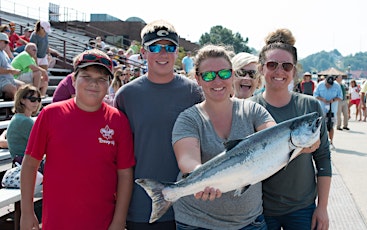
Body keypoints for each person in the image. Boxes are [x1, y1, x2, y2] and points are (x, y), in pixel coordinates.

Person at [20, 49, 135, 230]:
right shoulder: (51, 114)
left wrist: (119, 221)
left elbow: (125, 174)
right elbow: (29, 164)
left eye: (101, 79)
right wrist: (27, 211)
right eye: (86, 76)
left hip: (102, 223)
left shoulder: (118, 121)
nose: (93, 84)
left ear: (109, 84)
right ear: (73, 80)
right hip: (57, 222)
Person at [172, 44, 275, 230]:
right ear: (198, 79)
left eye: (224, 74)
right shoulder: (188, 119)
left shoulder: (253, 111)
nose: (217, 81)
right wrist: (203, 181)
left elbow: (274, 137)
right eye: (209, 76)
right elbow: (187, 159)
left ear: (233, 74)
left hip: (250, 223)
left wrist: (301, 141)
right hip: (196, 223)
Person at [114, 19, 204, 230]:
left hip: (189, 206)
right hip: (141, 206)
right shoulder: (126, 95)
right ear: (143, 53)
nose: (162, 53)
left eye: (169, 47)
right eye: (154, 47)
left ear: (177, 52)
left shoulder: (195, 93)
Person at [249, 28, 331, 230]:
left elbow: (323, 159)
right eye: (272, 65)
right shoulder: (248, 108)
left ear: (294, 71)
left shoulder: (310, 108)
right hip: (260, 210)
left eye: (286, 66)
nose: (279, 71)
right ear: (261, 69)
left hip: (302, 209)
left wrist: (322, 208)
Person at [6, 84, 41, 164]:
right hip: (27, 164)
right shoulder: (24, 121)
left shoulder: (19, 118)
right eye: (32, 99)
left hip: (24, 162)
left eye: (38, 99)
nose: (36, 102)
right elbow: (42, 145)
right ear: (22, 100)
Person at [314, 75, 343, 149]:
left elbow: (340, 97)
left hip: (332, 109)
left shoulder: (337, 86)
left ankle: (331, 141)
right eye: (327, 85)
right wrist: (322, 99)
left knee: (331, 126)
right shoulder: (320, 85)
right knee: (320, 126)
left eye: (330, 85)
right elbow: (315, 95)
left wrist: (333, 100)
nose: (328, 86)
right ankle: (320, 143)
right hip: (322, 109)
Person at [0, 32, 21, 99]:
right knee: (13, 90)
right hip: (2, 79)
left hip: (9, 78)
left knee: (24, 87)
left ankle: (7, 96)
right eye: (5, 42)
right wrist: (12, 71)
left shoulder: (3, 52)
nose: (7, 45)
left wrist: (13, 71)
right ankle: (17, 108)